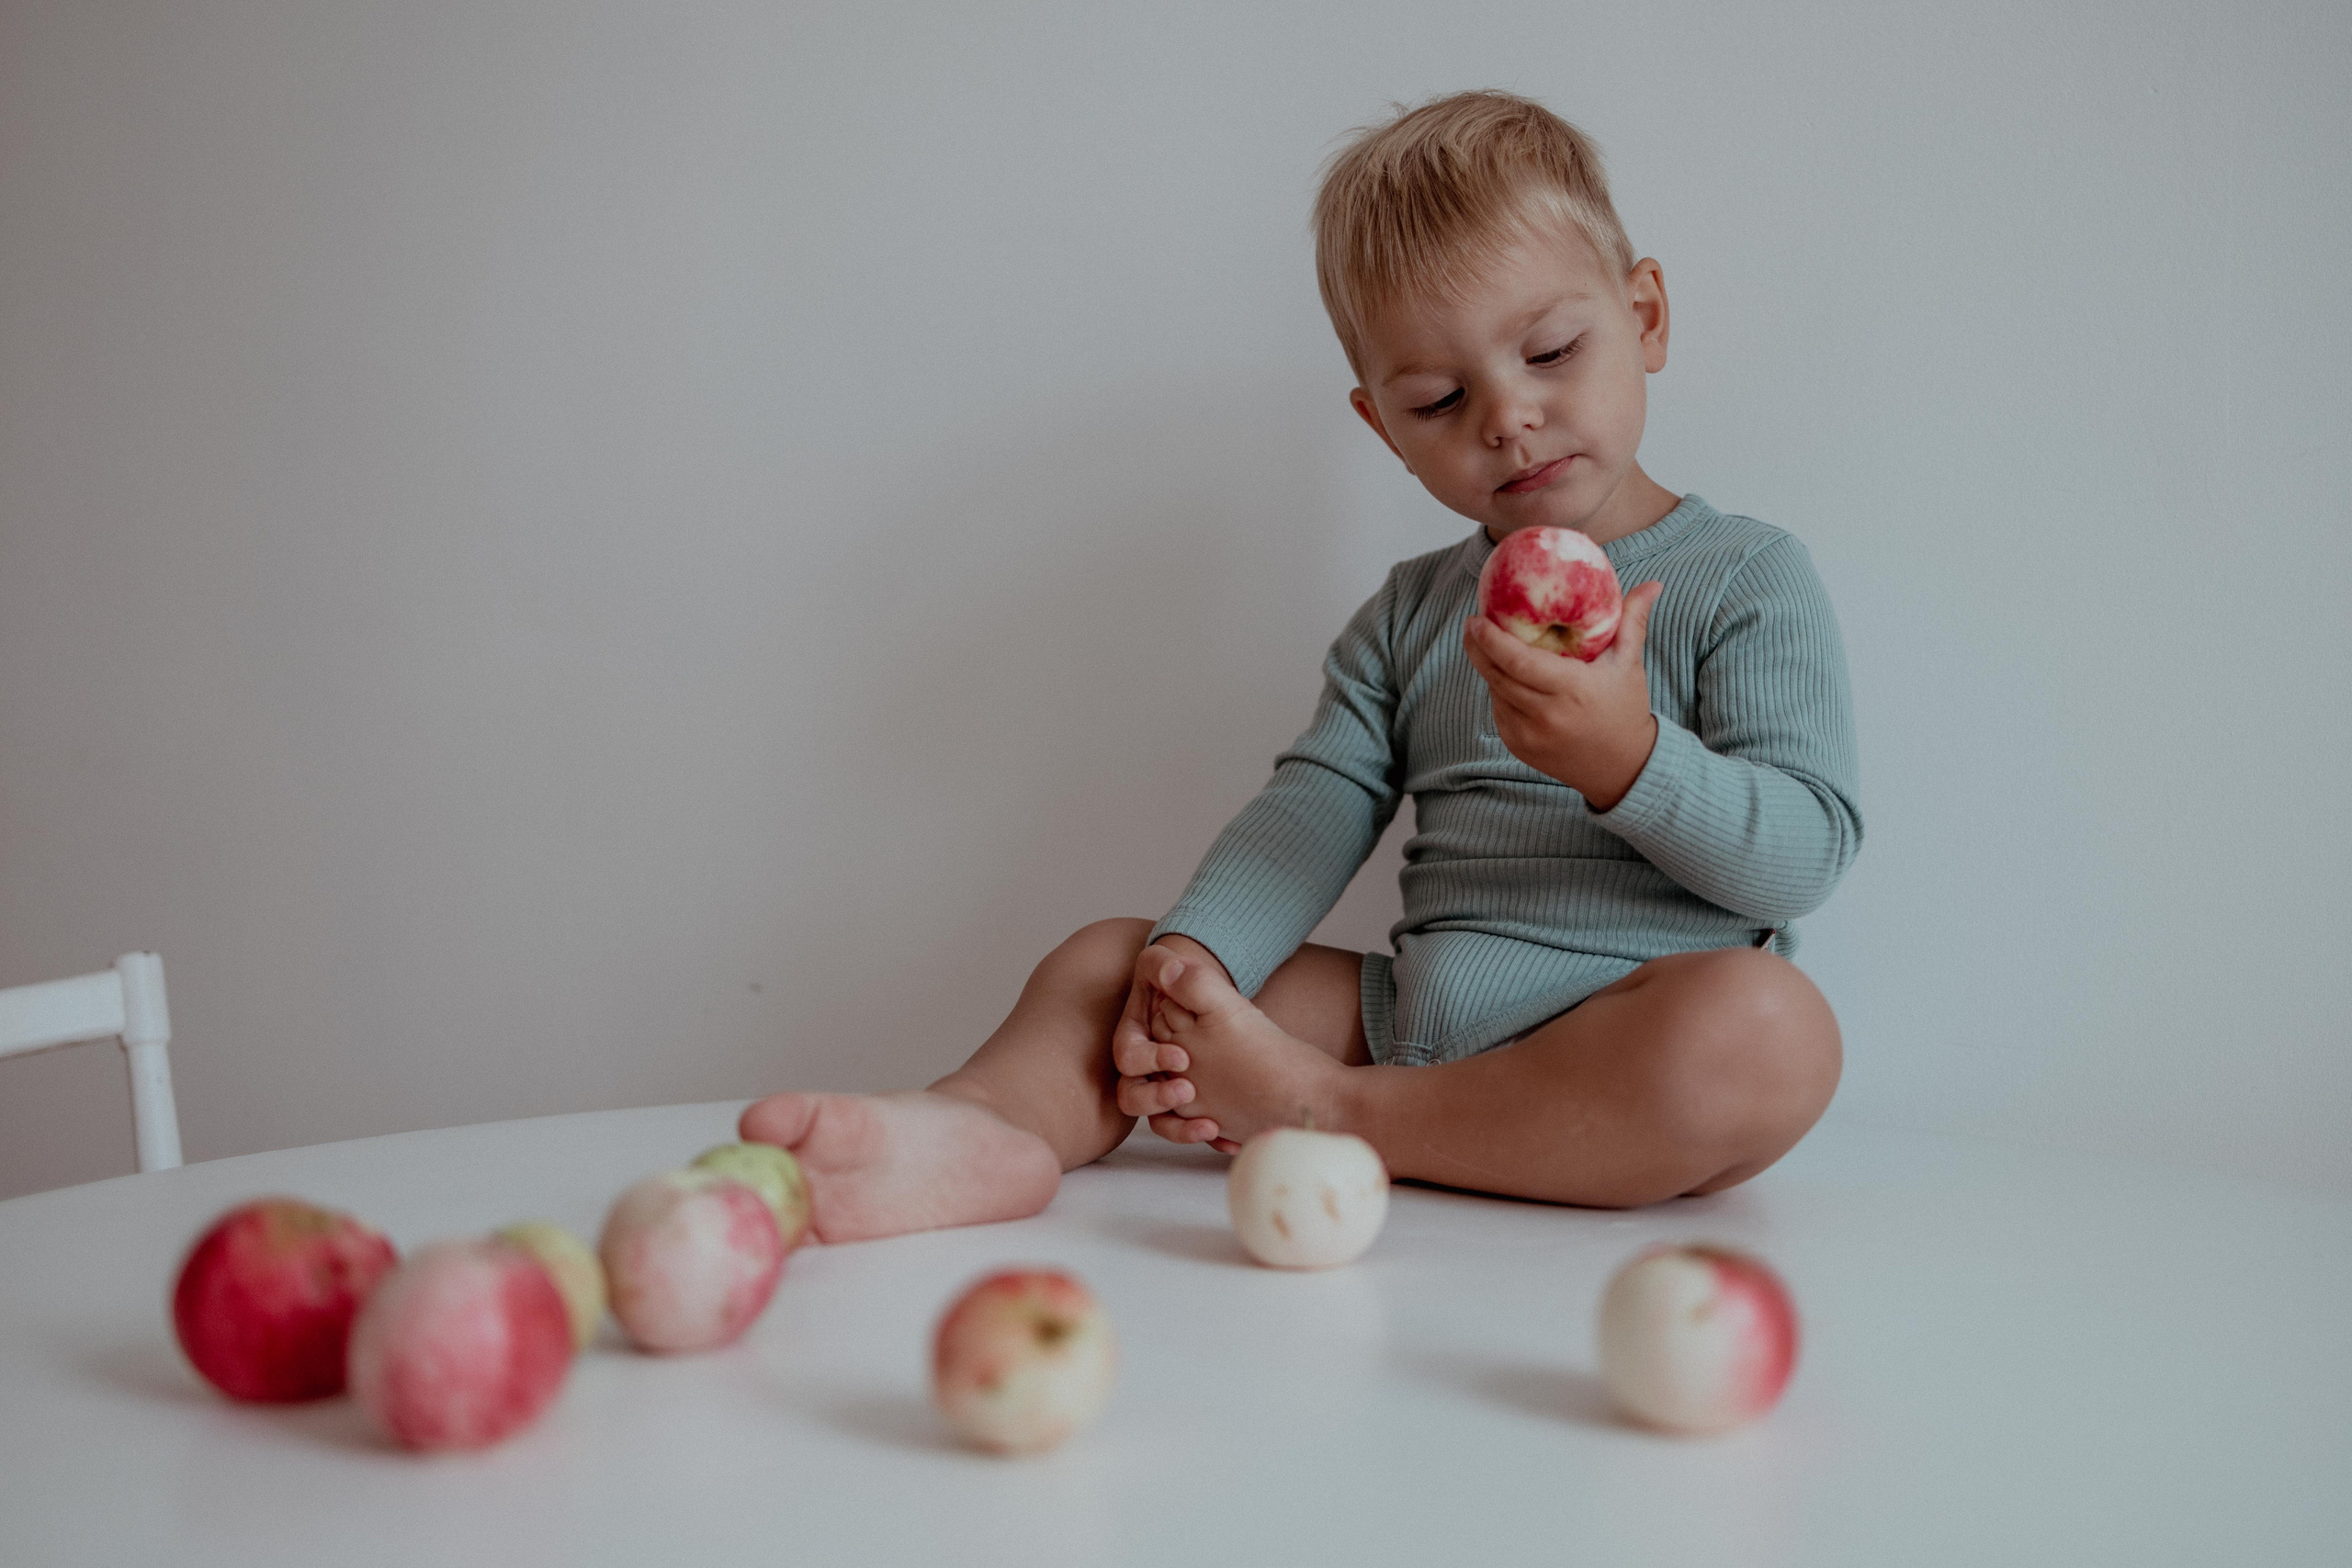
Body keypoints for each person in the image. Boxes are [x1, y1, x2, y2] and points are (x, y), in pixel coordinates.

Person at [740, 89, 1861, 1240]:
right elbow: (1311, 809)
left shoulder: (1745, 579)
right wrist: (1195, 959)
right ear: (1381, 424)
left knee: (1772, 1036)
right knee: (1108, 964)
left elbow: (1802, 857)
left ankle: (1329, 1112)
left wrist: (1627, 760)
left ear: (1647, 316)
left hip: (1627, 1033)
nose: (1509, 418)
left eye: (1552, 350)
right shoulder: (1415, 612)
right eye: (1437, 398)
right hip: (1417, 1016)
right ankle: (968, 1131)